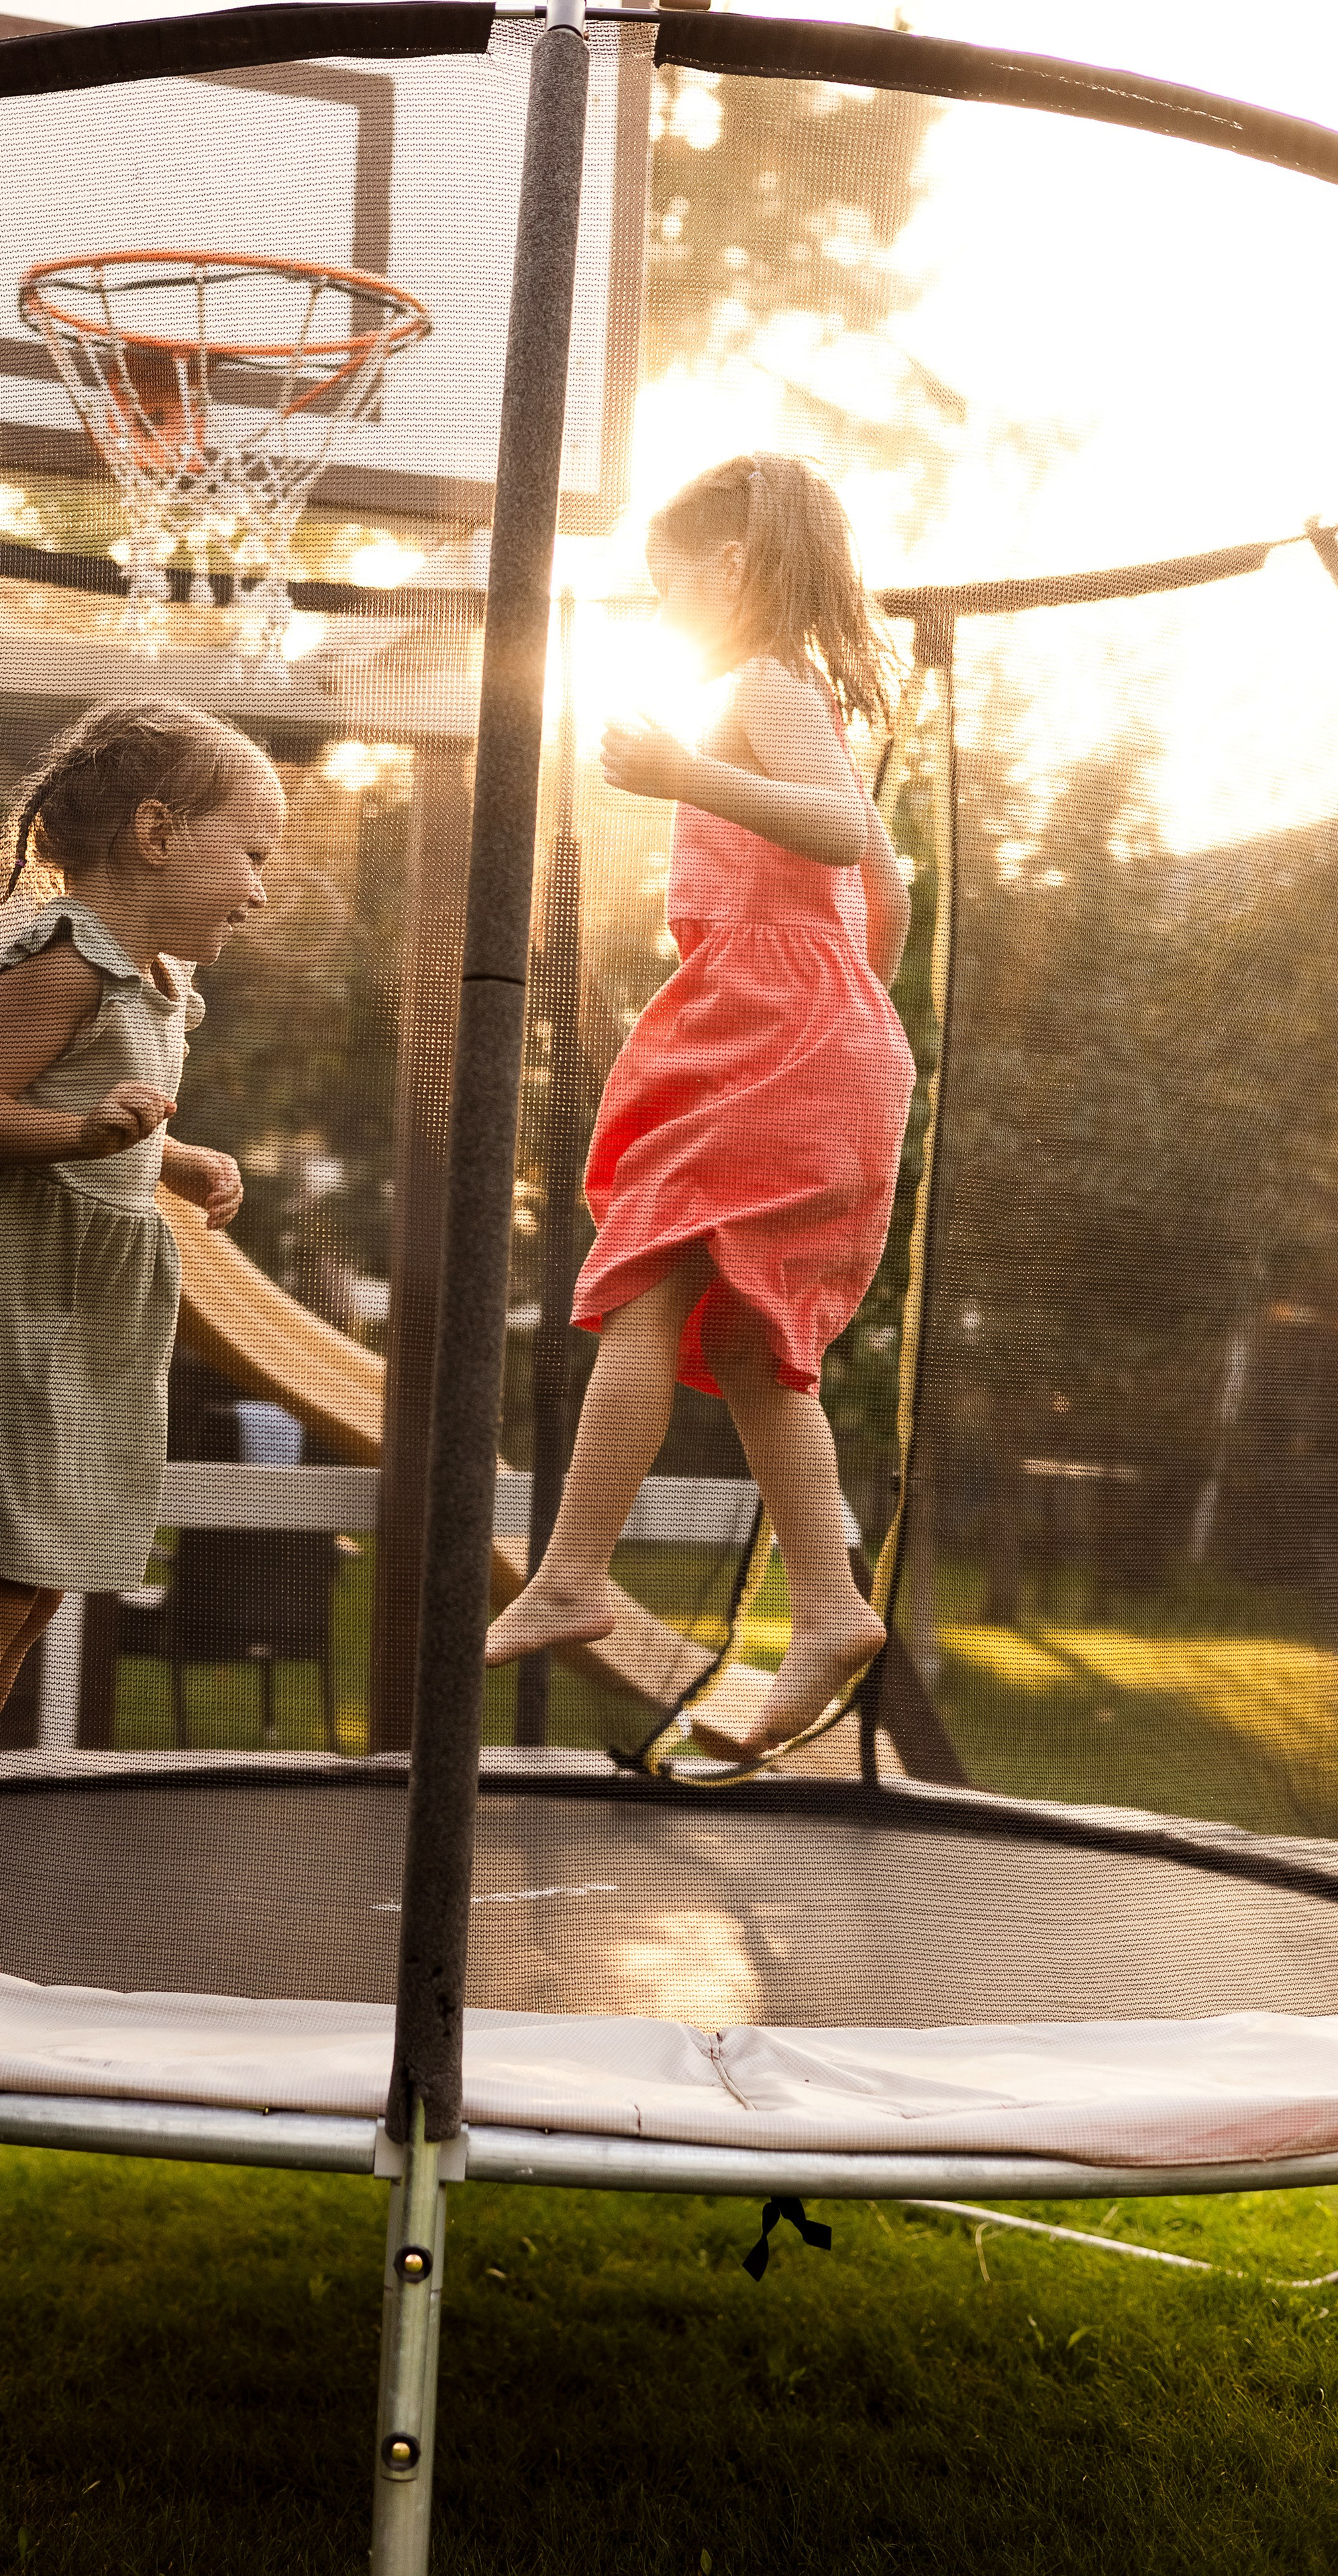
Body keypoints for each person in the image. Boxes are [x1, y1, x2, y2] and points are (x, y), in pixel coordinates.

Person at [484, 454, 917, 1769]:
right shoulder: (783, 696)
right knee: (744, 1345)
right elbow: (886, 891)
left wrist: (683, 772)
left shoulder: (760, 685)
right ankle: (832, 1608)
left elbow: (842, 835)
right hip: (812, 1036)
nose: (662, 609)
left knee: (648, 1275)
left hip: (782, 1037)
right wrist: (845, 1012)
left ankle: (568, 1573)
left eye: (668, 585)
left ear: (729, 568)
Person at [0, 698, 283, 1966]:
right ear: (155, 832)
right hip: (12, 1293)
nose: (259, 892)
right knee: (1, 1577)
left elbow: (99, 1121)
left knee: (29, 1581)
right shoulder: (63, 963)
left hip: (80, 1292)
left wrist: (176, 1158)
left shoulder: (154, 983)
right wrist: (89, 1138)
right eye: (249, 853)